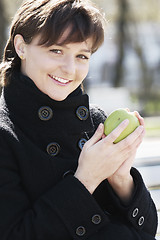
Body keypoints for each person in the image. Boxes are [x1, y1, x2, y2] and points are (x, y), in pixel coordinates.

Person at [0, 0, 158, 239]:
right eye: (56, 51)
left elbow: (146, 230)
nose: (69, 68)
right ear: (21, 47)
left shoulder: (96, 122)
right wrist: (86, 179)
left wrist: (120, 178)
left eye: (82, 56)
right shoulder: (5, 133)